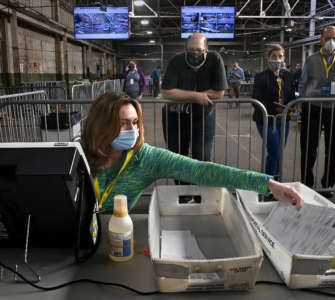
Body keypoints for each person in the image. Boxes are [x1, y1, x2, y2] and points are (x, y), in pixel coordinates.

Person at [82, 92, 304, 213]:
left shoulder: (146, 158)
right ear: (102, 125)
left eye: (134, 123)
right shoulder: (78, 153)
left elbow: (202, 170)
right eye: (123, 124)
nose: (133, 130)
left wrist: (269, 184)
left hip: (117, 237)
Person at [299, 25, 335, 198]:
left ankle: (327, 184)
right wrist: (302, 102)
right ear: (321, 39)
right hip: (313, 107)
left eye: (334, 38)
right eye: (327, 37)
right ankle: (307, 182)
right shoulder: (311, 59)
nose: (331, 41)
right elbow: (303, 83)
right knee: (308, 148)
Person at [161, 33, 227, 164]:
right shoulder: (176, 61)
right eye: (191, 50)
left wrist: (180, 95)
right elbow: (166, 92)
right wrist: (197, 96)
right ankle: (181, 184)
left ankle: (199, 185)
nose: (195, 53)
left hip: (204, 116)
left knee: (202, 157)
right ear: (185, 50)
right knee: (177, 158)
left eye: (199, 50)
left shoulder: (215, 59)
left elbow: (219, 92)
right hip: (175, 117)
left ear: (206, 51)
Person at [252, 44, 296, 182]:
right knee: (274, 152)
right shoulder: (260, 77)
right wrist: (273, 108)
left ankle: (276, 182)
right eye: (274, 56)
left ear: (284, 58)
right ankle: (269, 185)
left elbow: (291, 96)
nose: (277, 59)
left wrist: (292, 105)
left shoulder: (288, 76)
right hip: (267, 119)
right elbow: (255, 100)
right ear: (268, 58)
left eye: (280, 56)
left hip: (284, 120)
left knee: (279, 153)